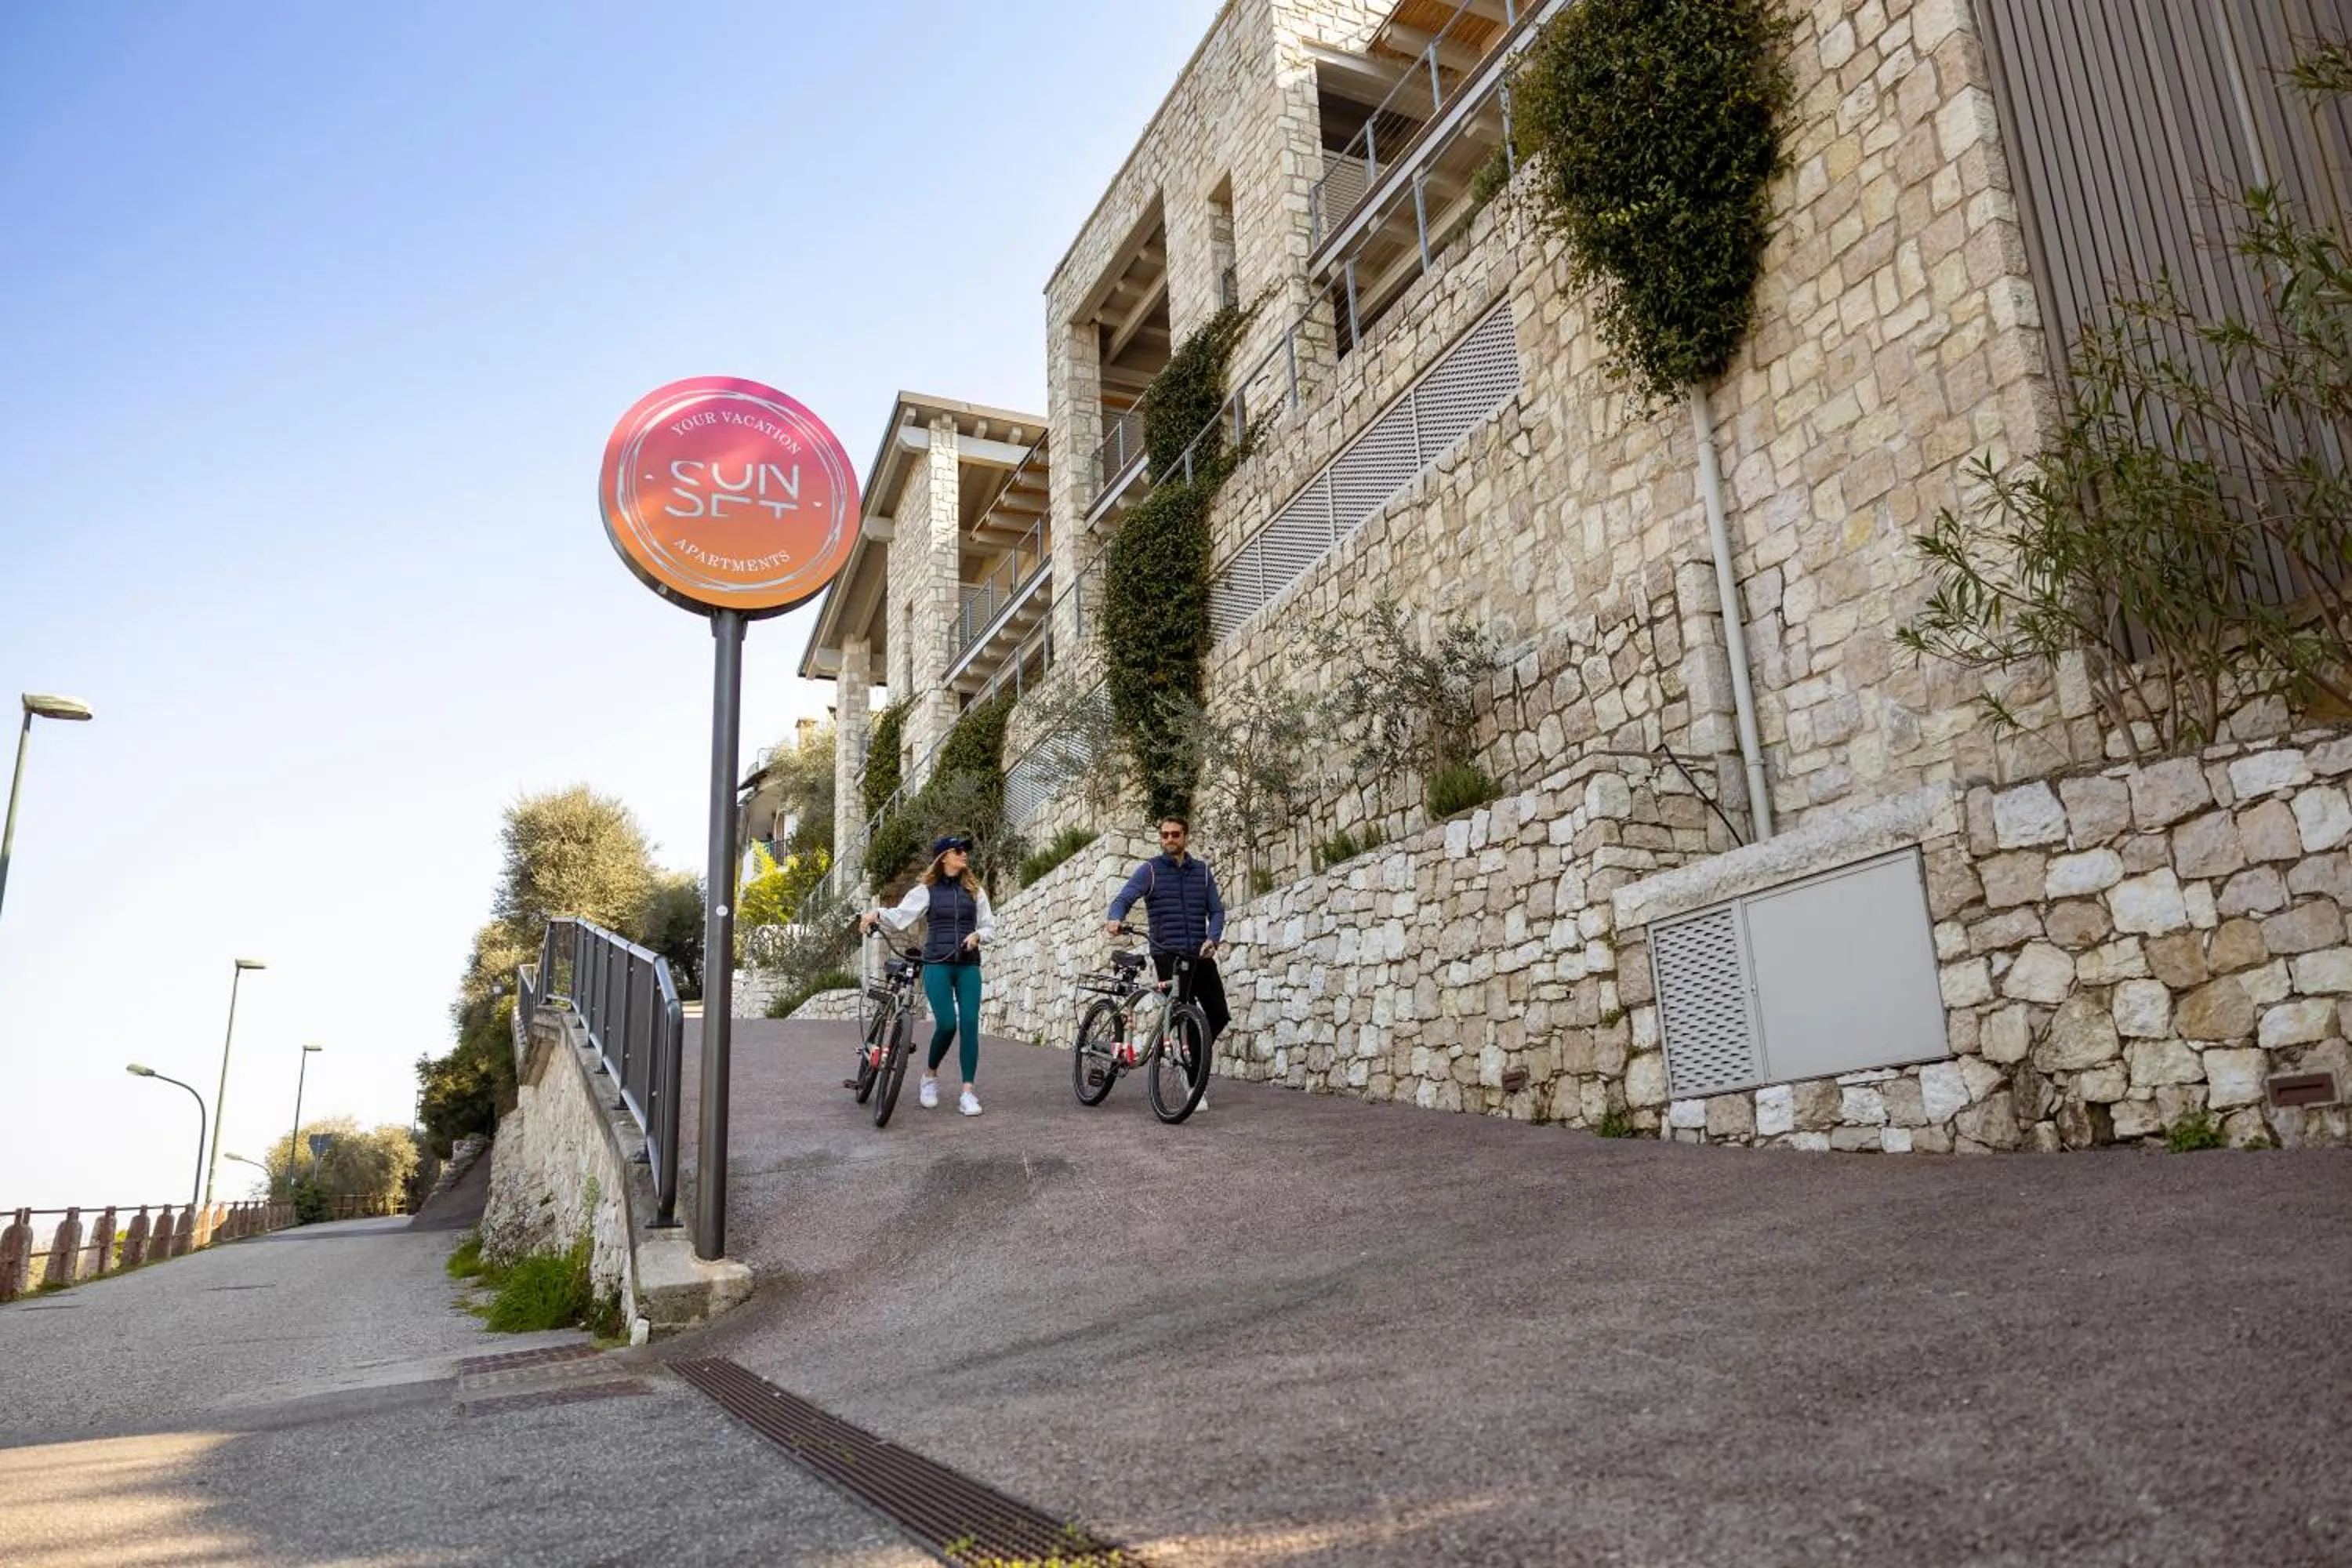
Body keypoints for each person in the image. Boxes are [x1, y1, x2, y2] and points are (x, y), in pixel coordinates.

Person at [861, 833, 995, 1116]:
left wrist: (978, 935)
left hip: (968, 964)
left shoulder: (975, 891)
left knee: (969, 1023)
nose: (964, 855)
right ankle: (930, 1077)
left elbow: (989, 926)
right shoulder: (927, 890)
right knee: (946, 1023)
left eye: (965, 851)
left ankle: (968, 1093)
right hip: (937, 963)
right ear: (944, 856)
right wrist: (878, 914)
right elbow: (901, 915)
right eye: (959, 850)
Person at [1104, 815, 1231, 1046]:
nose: (1169, 839)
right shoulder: (1151, 870)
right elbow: (1124, 898)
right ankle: (1191, 1068)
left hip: (1198, 953)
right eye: (1165, 835)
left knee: (1219, 1014)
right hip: (1167, 954)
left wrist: (1213, 939)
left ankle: (1193, 1060)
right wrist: (1115, 918)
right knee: (1183, 1011)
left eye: (1175, 834)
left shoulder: (1202, 872)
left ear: (1185, 837)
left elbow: (1217, 912)